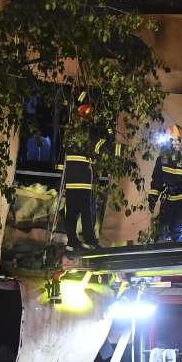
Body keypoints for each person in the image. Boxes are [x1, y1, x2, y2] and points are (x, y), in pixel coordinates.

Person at [56, 93, 109, 251]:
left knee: (71, 212)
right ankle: (90, 241)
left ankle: (72, 241)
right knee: (87, 212)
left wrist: (60, 180)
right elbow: (102, 149)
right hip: (85, 179)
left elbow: (62, 157)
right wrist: (109, 132)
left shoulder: (69, 133)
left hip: (71, 180)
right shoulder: (91, 133)